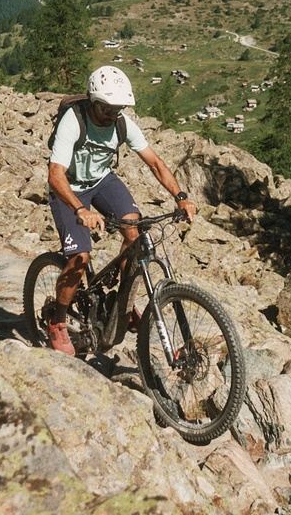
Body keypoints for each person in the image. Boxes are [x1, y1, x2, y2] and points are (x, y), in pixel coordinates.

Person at [44, 65, 196, 356]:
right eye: (108, 109)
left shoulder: (123, 124)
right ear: (94, 102)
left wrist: (181, 197)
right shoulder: (74, 121)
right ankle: (58, 320)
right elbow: (55, 174)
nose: (113, 114)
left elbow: (155, 163)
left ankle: (122, 307)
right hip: (69, 186)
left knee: (134, 231)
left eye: (118, 108)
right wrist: (80, 209)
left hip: (101, 180)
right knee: (79, 256)